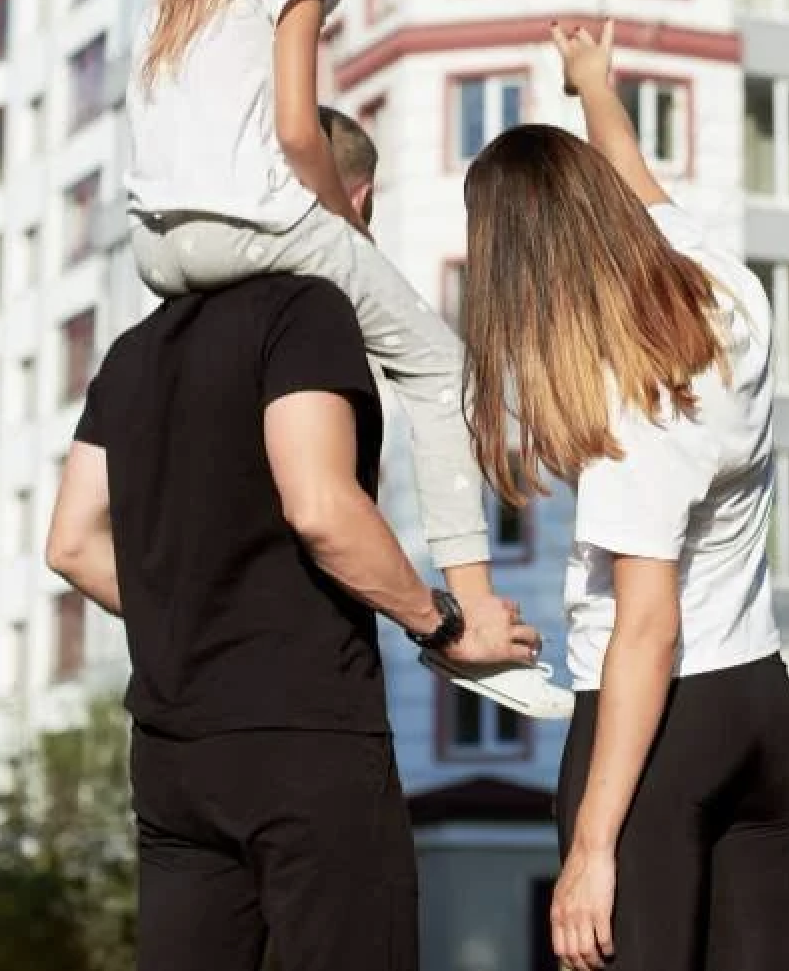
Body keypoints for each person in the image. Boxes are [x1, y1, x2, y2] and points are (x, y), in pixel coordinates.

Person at [123, 0, 566, 719]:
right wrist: (346, 230)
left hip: (157, 248)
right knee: (439, 364)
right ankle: (477, 617)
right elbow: (297, 126)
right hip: (251, 224)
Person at [43, 169, 544, 971]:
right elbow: (320, 508)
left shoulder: (135, 351)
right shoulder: (306, 308)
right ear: (350, 194)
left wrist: (194, 624)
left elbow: (70, 542)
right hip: (303, 737)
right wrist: (444, 623)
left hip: (173, 753)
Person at [458, 20, 789, 971]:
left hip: (664, 732)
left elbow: (646, 629)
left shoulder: (635, 405)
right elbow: (636, 176)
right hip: (763, 713)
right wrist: (591, 82)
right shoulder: (718, 287)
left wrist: (592, 848)